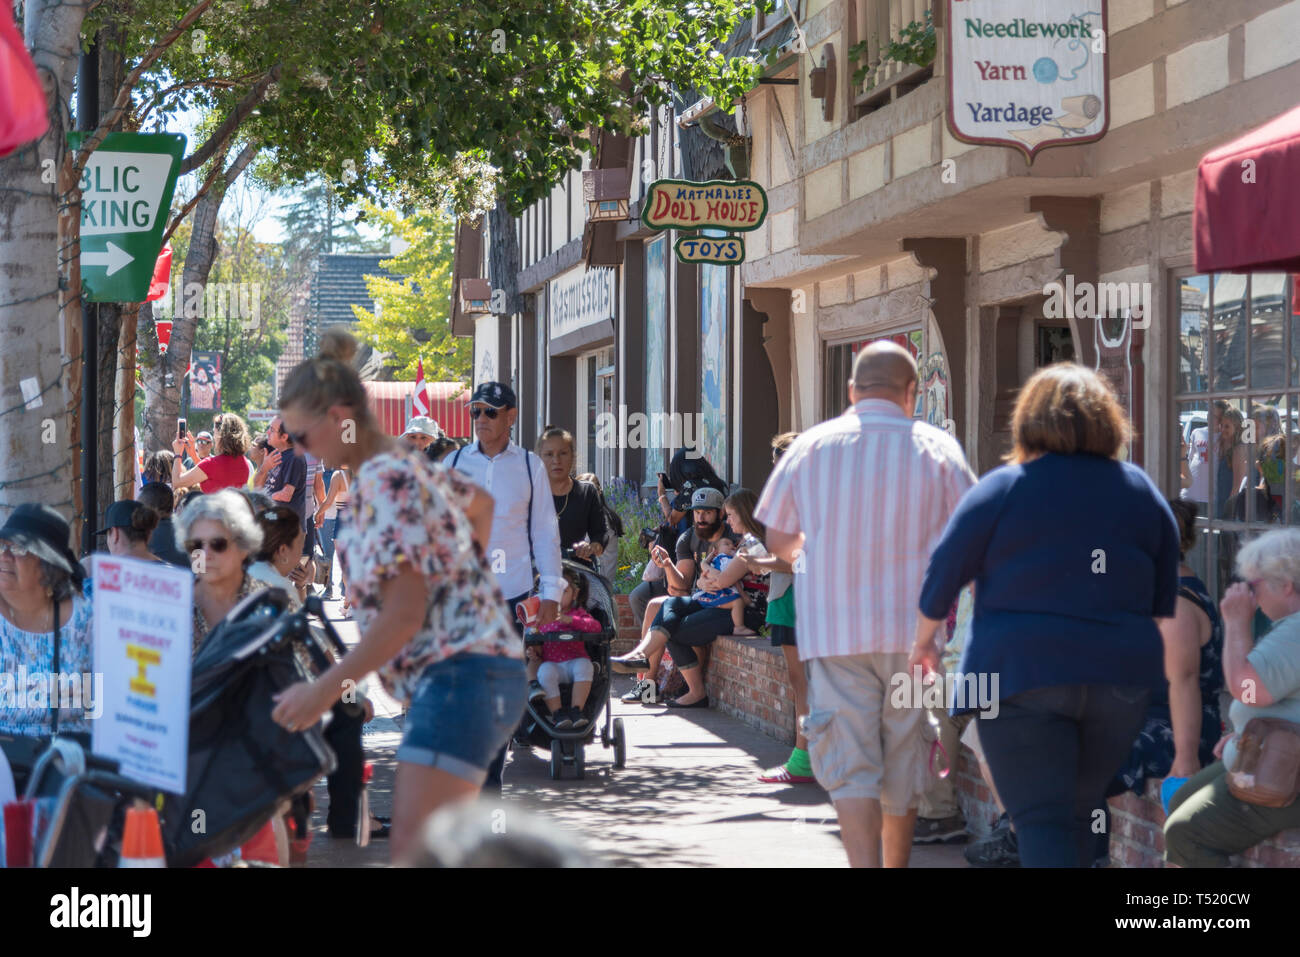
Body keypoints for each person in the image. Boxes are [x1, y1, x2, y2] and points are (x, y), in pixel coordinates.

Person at [269, 328, 522, 863]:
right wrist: (457, 584)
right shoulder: (399, 467)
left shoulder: (384, 481)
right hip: (472, 673)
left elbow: (404, 615)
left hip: (461, 678)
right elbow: (479, 504)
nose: (295, 448)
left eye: (300, 434)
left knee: (421, 850)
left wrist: (322, 692)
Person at [912, 363, 1179, 868]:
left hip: (1015, 675)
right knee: (1082, 814)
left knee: (1041, 821)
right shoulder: (1140, 491)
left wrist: (924, 643)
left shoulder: (1003, 488)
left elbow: (941, 575)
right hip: (1118, 680)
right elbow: (1162, 601)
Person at [758, 341, 976, 868]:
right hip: (913, 639)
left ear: (852, 392)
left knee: (852, 764)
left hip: (836, 635)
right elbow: (971, 534)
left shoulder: (812, 447)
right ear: (911, 393)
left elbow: (778, 537)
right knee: (904, 756)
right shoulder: (938, 449)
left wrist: (816, 553)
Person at [445, 381, 564, 791]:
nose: (480, 419)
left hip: (511, 596)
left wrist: (551, 591)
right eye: (475, 411)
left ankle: (488, 780)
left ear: (511, 416)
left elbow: (546, 532)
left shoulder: (531, 466)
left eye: (490, 412)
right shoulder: (455, 462)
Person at [1091, 497, 1224, 865]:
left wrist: (1185, 761)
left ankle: (1092, 859)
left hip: (1173, 729)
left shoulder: (1177, 607)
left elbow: (1183, 683)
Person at [1164, 528, 1300, 867]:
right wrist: (1245, 732)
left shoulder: (1295, 632)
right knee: (1182, 799)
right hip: (1271, 750)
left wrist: (1237, 623)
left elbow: (1247, 688)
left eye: (1253, 585)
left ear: (1286, 585)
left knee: (1185, 833)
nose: (1249, 595)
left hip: (1287, 769)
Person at [610, 486, 744, 708]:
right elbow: (680, 587)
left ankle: (643, 660)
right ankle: (648, 687)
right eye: (696, 512)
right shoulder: (689, 537)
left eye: (707, 512)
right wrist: (668, 564)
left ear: (721, 513)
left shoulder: (732, 537)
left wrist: (706, 580)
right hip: (699, 598)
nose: (700, 518)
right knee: (654, 605)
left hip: (724, 602)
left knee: (669, 619)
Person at [743, 433, 814, 785]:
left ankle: (804, 760)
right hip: (807, 599)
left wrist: (761, 563)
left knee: (802, 684)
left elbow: (797, 560)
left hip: (793, 599)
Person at [0, 505, 94, 737]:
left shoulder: (85, 621)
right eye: (2, 546)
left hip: (67, 761)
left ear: (47, 566)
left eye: (19, 548)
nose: (4, 556)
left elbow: (100, 709)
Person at [174, 489, 270, 653]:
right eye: (196, 545)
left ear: (243, 546)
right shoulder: (173, 604)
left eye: (218, 544)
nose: (205, 555)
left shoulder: (270, 603)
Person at [526, 567, 603, 728]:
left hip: (575, 660)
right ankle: (557, 714)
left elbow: (595, 627)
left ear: (574, 594)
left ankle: (577, 710)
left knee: (585, 666)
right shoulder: (542, 617)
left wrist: (572, 621)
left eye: (564, 592)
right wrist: (534, 651)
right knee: (544, 671)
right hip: (552, 663)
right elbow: (536, 641)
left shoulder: (578, 614)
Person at [536, 427, 607, 569]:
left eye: (563, 453)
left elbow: (600, 536)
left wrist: (590, 547)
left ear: (573, 457)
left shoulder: (587, 492)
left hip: (577, 575)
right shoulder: (528, 493)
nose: (556, 460)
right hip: (537, 574)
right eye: (549, 454)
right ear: (539, 458)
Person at [171, 413, 253, 493]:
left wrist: (178, 454)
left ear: (221, 435)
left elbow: (177, 482)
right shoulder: (244, 462)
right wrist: (193, 454)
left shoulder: (212, 464)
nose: (214, 436)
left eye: (214, 432)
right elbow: (210, 472)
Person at [247, 505, 307, 608]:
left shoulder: (245, 571)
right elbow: (297, 618)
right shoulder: (280, 588)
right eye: (300, 544)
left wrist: (300, 585)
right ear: (283, 550)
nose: (302, 551)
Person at [576, 472, 622, 584]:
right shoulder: (585, 514)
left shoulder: (604, 518)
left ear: (598, 492)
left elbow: (587, 549)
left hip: (598, 585)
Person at [315, 464, 350, 601]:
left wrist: (317, 513)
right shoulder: (324, 468)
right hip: (331, 516)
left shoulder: (340, 474)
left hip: (336, 517)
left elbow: (327, 499)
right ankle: (330, 588)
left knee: (340, 558)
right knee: (329, 555)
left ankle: (344, 591)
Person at [139, 481, 188, 566]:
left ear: (153, 509)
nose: (136, 511)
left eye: (139, 507)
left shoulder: (146, 537)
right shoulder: (189, 530)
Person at [98, 499, 163, 563]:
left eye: (108, 535)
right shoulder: (169, 570)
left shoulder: (100, 571)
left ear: (115, 534)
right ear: (149, 535)